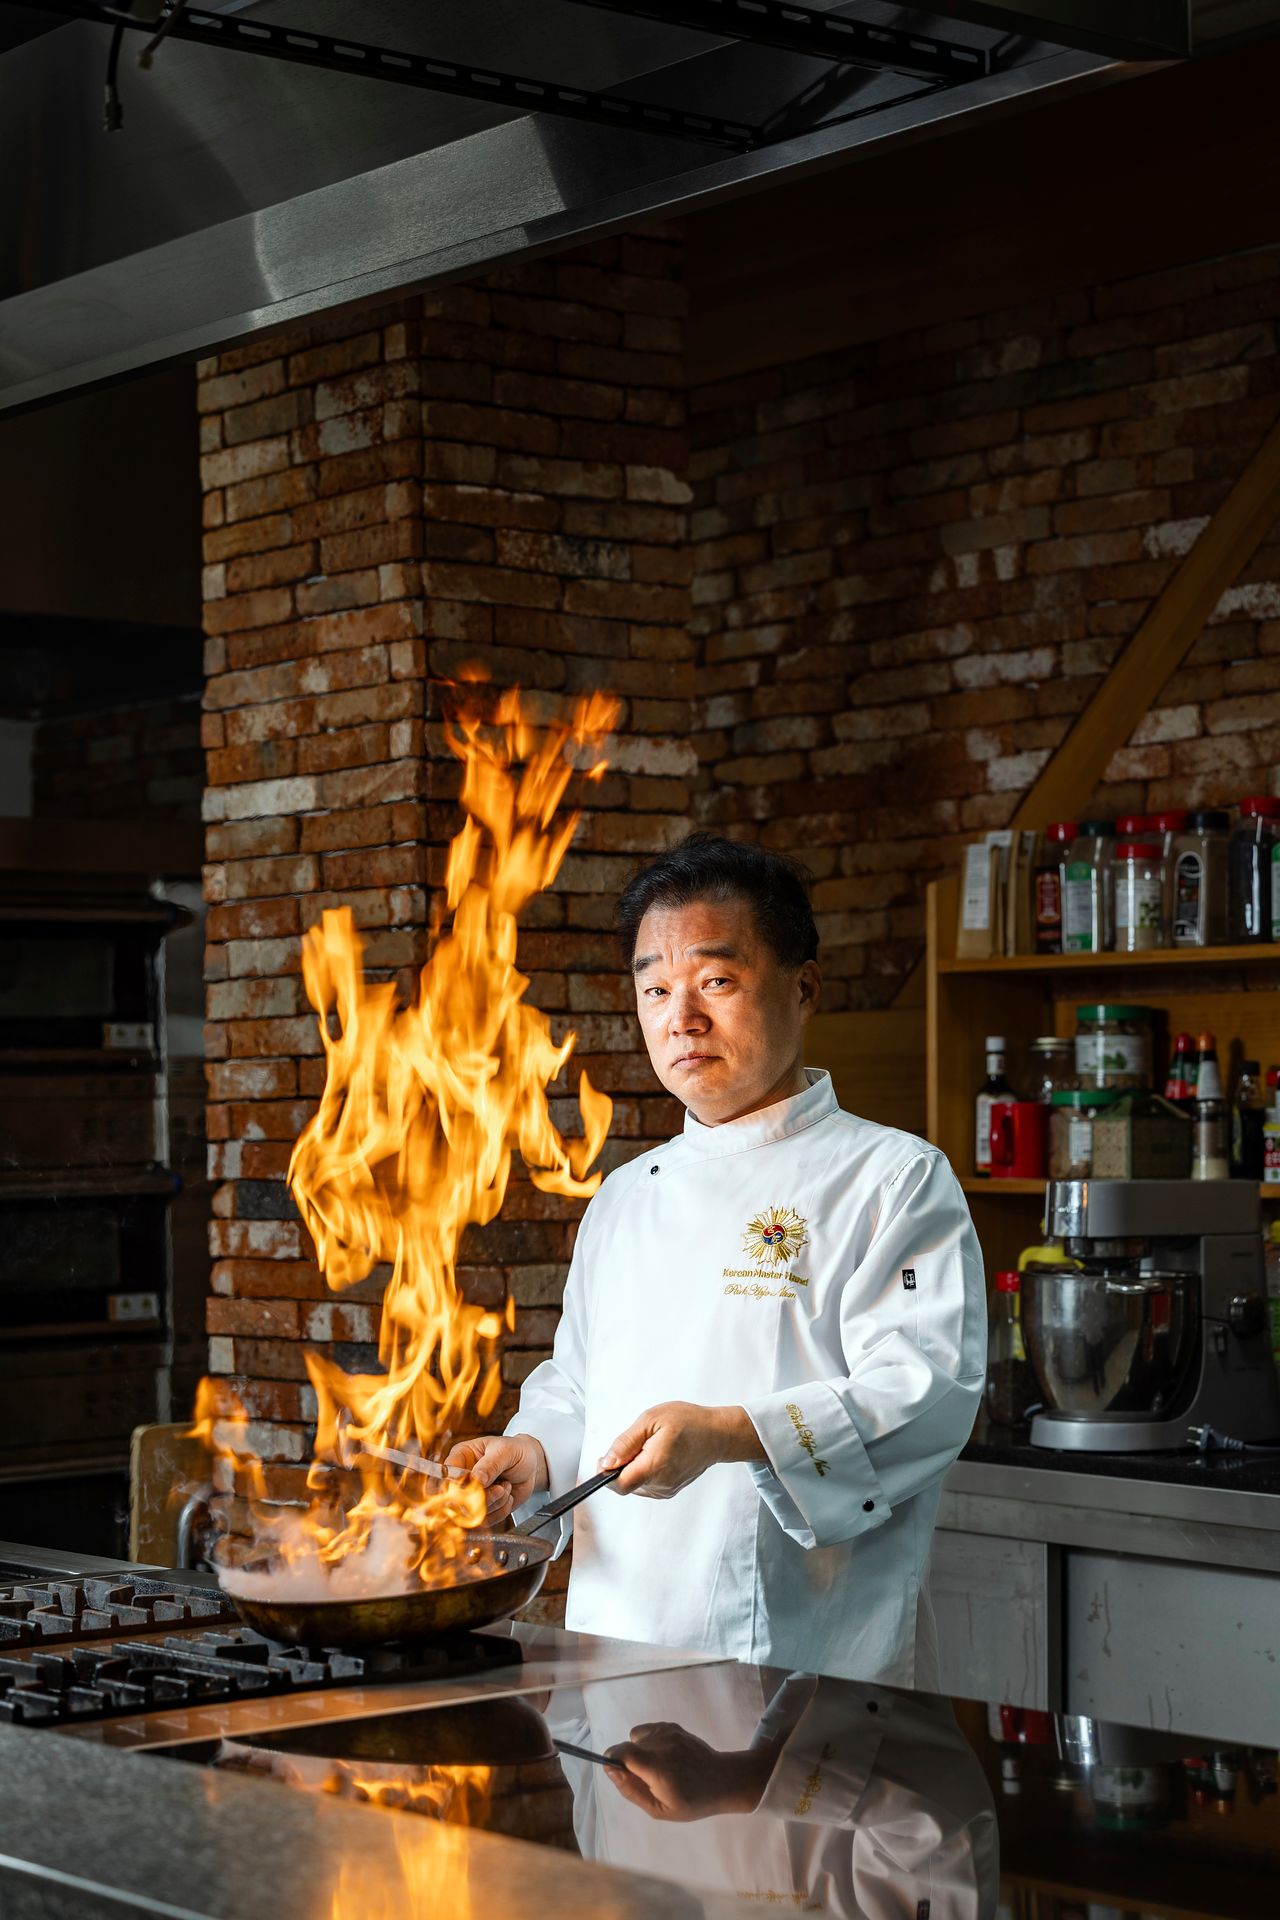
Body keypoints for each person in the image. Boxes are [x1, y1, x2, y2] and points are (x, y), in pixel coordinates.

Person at [447, 834, 986, 1686]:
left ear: (804, 987)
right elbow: (579, 1387)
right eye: (656, 988)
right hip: (614, 1645)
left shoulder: (893, 1178)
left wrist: (731, 1435)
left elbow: (925, 1394)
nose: (680, 1018)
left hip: (803, 1654)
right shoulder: (627, 1195)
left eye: (717, 981)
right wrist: (536, 1456)